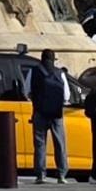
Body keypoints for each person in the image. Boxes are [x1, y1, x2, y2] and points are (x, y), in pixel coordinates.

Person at [29, 49, 71, 184]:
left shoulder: (34, 71)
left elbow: (26, 91)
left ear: (42, 58)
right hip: (56, 114)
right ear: (54, 59)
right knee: (60, 144)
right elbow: (66, 96)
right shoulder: (60, 73)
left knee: (40, 144)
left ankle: (41, 174)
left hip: (39, 113)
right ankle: (62, 174)